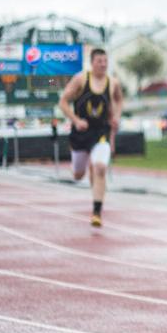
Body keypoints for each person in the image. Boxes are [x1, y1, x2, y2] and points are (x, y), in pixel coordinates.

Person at [58, 48, 122, 227]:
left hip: (101, 132)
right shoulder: (81, 79)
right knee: (79, 175)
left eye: (105, 60)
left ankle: (96, 212)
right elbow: (63, 102)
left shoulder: (113, 83)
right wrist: (76, 120)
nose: (103, 64)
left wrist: (116, 116)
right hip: (80, 133)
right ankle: (81, 166)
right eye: (99, 61)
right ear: (92, 62)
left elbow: (118, 100)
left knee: (101, 168)